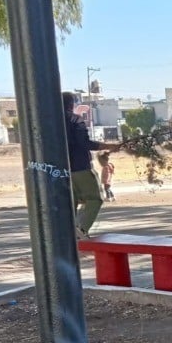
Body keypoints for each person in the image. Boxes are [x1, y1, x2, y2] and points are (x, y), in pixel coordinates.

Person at [63, 92, 120, 237]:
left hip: (61, 170)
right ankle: (81, 229)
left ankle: (70, 231)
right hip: (81, 167)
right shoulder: (75, 120)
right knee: (95, 199)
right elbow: (84, 143)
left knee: (72, 201)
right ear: (72, 104)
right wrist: (107, 146)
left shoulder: (50, 122)